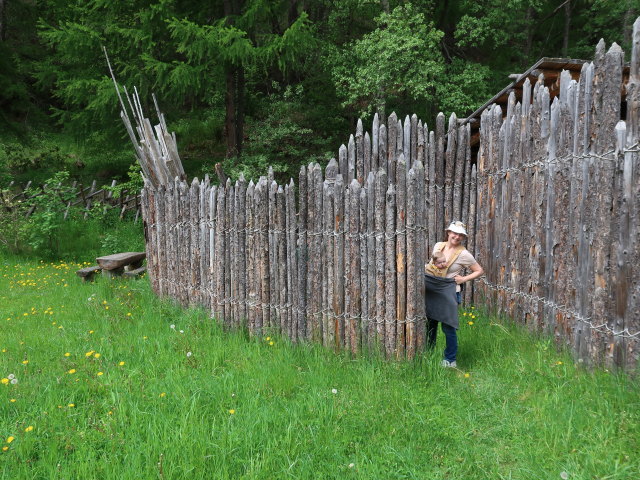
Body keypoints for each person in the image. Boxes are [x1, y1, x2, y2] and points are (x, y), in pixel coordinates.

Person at [425, 221, 484, 368]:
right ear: (449, 232)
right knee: (430, 325)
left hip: (448, 292)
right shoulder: (438, 246)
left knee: (448, 327)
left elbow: (479, 270)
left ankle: (450, 360)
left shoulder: (464, 254)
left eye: (460, 235)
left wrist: (463, 279)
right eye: (454, 233)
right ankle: (429, 354)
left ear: (463, 238)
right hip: (432, 290)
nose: (457, 237)